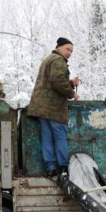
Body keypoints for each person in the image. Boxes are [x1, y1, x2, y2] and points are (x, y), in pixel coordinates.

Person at [28, 37, 80, 178]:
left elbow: (52, 81)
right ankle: (63, 167)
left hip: (42, 108)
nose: (69, 53)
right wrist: (72, 93)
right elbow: (57, 81)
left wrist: (70, 82)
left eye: (71, 51)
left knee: (47, 138)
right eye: (67, 49)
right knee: (60, 137)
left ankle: (50, 167)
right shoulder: (58, 60)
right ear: (59, 47)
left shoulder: (49, 59)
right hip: (54, 108)